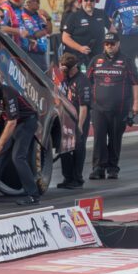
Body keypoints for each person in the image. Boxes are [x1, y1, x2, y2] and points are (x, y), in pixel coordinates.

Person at [0, 75, 42, 205]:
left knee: (18, 157)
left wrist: (0, 143)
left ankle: (33, 195)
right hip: (15, 124)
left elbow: (12, 122)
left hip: (26, 122)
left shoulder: (8, 94)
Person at [87, 33, 138, 180]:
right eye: (107, 44)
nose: (109, 46)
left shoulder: (126, 61)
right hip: (98, 107)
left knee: (115, 138)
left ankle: (112, 168)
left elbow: (135, 82)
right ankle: (98, 168)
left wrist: (136, 102)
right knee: (99, 137)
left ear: (118, 44)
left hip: (120, 108)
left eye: (112, 43)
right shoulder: (96, 60)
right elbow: (87, 81)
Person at [57, 53, 90, 190]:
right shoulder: (62, 78)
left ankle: (78, 179)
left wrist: (80, 126)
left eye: (67, 69)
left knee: (78, 147)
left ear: (74, 67)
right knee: (64, 148)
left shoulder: (82, 81)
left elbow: (84, 106)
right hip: (64, 118)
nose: (65, 72)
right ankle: (67, 177)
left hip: (78, 119)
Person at [61, 0, 107, 67]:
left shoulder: (101, 13)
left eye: (91, 0)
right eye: (86, 0)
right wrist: (80, 48)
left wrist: (108, 46)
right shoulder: (74, 16)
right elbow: (65, 38)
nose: (89, 2)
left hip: (99, 57)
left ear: (96, 1)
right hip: (79, 58)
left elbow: (113, 31)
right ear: (81, 0)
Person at [20, 0, 52, 69]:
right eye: (37, 1)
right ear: (28, 2)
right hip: (29, 54)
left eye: (39, 1)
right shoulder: (22, 15)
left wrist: (48, 18)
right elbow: (34, 35)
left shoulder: (38, 15)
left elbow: (49, 30)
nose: (39, 4)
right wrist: (44, 32)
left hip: (41, 54)